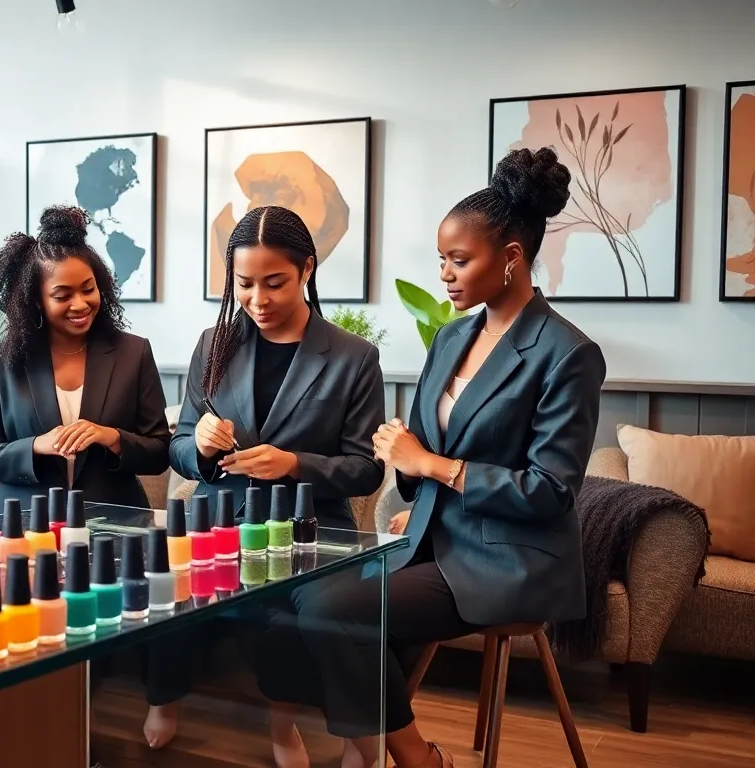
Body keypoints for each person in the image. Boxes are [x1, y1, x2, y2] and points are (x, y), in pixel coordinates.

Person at [304, 147, 606, 768]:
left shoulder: (567, 354)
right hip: (437, 542)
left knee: (332, 609)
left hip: (508, 560)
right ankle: (387, 751)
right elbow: (420, 463)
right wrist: (416, 492)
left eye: (459, 259)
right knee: (311, 600)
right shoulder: (449, 337)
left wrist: (431, 467)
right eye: (441, 258)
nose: (444, 273)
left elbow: (549, 490)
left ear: (512, 258)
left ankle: (413, 758)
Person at [164, 205, 386, 756]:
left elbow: (366, 469)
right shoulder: (214, 345)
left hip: (310, 528)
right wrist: (201, 446)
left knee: (315, 610)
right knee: (156, 584)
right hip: (219, 521)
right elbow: (179, 449)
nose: (258, 300)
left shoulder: (353, 358)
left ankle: (305, 726)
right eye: (244, 284)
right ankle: (160, 696)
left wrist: (294, 465)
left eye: (274, 283)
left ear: (307, 270)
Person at [0, 205, 169, 517]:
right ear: (36, 299)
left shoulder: (134, 353)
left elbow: (159, 453)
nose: (80, 304)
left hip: (114, 519)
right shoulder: (3, 359)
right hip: (23, 521)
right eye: (63, 296)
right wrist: (36, 446)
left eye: (88, 289)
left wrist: (112, 437)